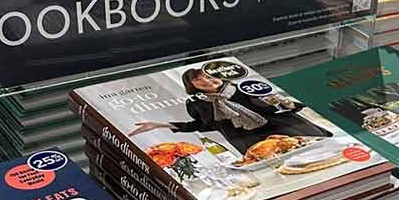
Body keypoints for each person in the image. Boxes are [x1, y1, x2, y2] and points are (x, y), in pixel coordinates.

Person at [128, 66, 330, 155]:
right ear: (192, 85)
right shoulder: (196, 103)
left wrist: (290, 103)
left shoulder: (242, 86)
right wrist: (161, 125)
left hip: (284, 126)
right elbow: (203, 125)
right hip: (249, 141)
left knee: (321, 152)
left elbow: (276, 103)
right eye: (198, 79)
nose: (206, 81)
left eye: (209, 76)